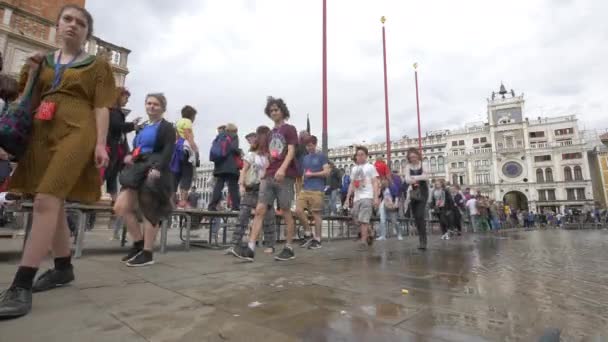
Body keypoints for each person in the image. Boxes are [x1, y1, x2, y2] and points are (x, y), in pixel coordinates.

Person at [0, 4, 116, 319]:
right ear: (58, 25)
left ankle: (21, 283)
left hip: (78, 131)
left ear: (86, 33)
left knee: (45, 199)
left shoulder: (98, 66)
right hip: (42, 131)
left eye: (80, 22)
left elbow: (102, 106)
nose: (73, 25)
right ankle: (63, 267)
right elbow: (26, 99)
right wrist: (33, 70)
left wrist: (101, 144)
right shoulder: (42, 61)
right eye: (68, 19)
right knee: (54, 204)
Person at [113, 93, 176, 267]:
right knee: (121, 207)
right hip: (137, 167)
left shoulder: (167, 127)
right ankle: (139, 243)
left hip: (154, 168)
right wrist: (130, 156)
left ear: (163, 107)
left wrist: (157, 168)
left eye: (155, 104)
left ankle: (147, 252)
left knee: (149, 209)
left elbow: (168, 150)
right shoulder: (142, 127)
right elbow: (137, 148)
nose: (151, 106)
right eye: (148, 103)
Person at [232, 96, 298, 261]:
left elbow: (291, 151)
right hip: (269, 175)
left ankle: (289, 247)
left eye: (276, 109)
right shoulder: (270, 134)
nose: (274, 112)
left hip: (285, 176)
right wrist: (266, 171)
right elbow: (270, 154)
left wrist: (282, 169)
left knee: (285, 210)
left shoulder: (289, 129)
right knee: (260, 209)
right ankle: (251, 247)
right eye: (271, 111)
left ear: (282, 111)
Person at [228, 126, 276, 254]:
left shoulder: (271, 155)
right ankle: (234, 244)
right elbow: (244, 170)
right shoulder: (251, 155)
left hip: (266, 188)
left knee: (268, 218)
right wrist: (241, 185)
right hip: (252, 188)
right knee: (242, 216)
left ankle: (270, 245)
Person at [105, 87, 141, 240]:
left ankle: (114, 200)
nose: (127, 100)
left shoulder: (115, 111)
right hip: (112, 150)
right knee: (108, 174)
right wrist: (132, 126)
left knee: (112, 176)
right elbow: (116, 127)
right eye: (125, 97)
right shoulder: (113, 112)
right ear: (118, 97)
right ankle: (112, 200)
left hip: (117, 151)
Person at [295, 136, 330, 249]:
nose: (309, 148)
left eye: (310, 145)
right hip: (305, 189)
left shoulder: (322, 157)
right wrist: (299, 188)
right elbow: (304, 174)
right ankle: (308, 233)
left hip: (317, 189)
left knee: (316, 214)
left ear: (315, 144)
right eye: (307, 146)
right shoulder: (305, 158)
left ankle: (318, 240)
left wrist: (313, 175)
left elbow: (326, 172)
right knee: (298, 210)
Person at [345, 146, 380, 250]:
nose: (359, 157)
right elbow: (351, 184)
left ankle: (363, 241)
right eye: (358, 155)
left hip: (367, 196)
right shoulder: (354, 169)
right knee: (356, 217)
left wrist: (375, 197)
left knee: (364, 219)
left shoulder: (370, 167)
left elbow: (375, 182)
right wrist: (347, 198)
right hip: (357, 197)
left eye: (362, 155)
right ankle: (371, 231)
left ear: (366, 156)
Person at [208, 123, 241, 211]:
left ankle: (212, 206)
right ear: (234, 130)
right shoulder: (234, 136)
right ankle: (235, 206)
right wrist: (239, 151)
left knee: (218, 185)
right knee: (233, 186)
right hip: (231, 166)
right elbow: (233, 148)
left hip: (219, 165)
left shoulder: (219, 136)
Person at [172, 105, 199, 208]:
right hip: (186, 150)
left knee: (176, 174)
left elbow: (176, 136)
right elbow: (188, 136)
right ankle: (183, 201)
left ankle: (172, 201)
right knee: (187, 174)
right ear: (191, 116)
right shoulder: (187, 122)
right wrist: (195, 150)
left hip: (177, 148)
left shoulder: (177, 122)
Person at [404, 148, 429, 249]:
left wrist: (414, 178)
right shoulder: (408, 166)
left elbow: (426, 177)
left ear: (418, 156)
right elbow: (406, 180)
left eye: (414, 156)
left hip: (423, 191)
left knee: (420, 215)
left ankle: (423, 240)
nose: (413, 159)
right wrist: (419, 177)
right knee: (416, 217)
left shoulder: (423, 164)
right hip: (413, 193)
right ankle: (421, 239)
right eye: (411, 157)